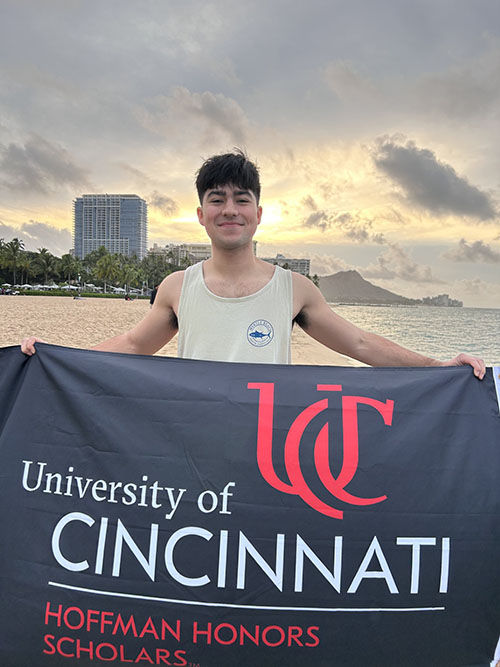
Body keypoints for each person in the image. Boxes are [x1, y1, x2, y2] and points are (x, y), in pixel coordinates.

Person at [21, 150, 485, 379]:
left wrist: (439, 366)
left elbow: (360, 344)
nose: (229, 209)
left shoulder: (294, 289)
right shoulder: (177, 286)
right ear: (201, 215)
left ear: (258, 215)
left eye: (241, 200)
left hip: (266, 441)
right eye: (216, 199)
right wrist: (52, 355)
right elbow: (132, 344)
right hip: (193, 435)